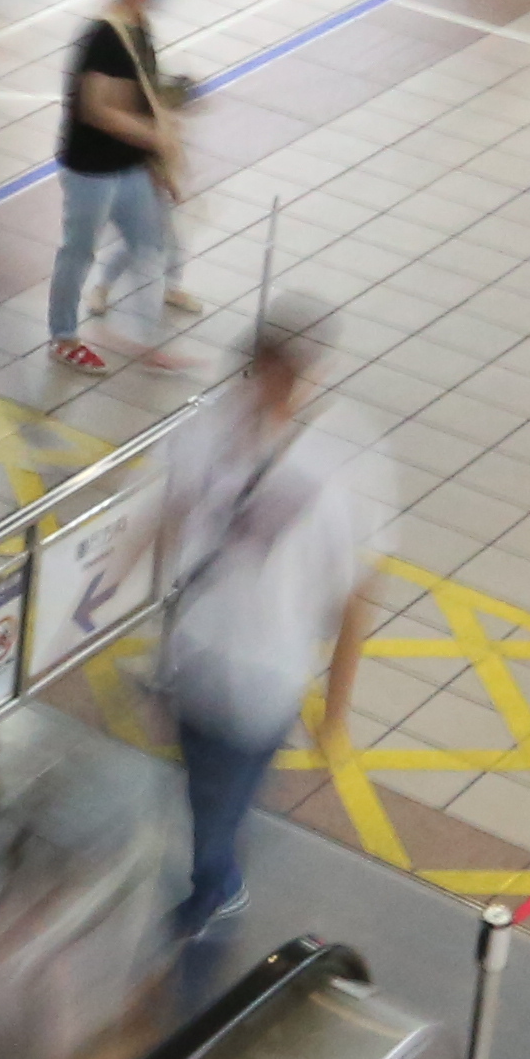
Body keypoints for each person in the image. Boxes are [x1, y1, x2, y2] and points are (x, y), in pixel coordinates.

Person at [123, 319, 389, 998]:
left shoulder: (342, 462)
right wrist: (120, 574)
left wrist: (336, 713)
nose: (266, 385)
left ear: (303, 375)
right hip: (193, 656)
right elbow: (172, 506)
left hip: (266, 677)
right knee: (192, 789)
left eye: (281, 373)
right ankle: (217, 878)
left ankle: (211, 899)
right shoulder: (211, 428)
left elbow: (357, 598)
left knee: (217, 810)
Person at [45, 0, 183, 377]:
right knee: (79, 250)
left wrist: (157, 163)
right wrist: (149, 135)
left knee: (150, 245)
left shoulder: (139, 29)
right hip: (92, 170)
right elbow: (94, 107)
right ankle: (64, 335)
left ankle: (147, 340)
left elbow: (144, 99)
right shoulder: (105, 35)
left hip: (130, 168)